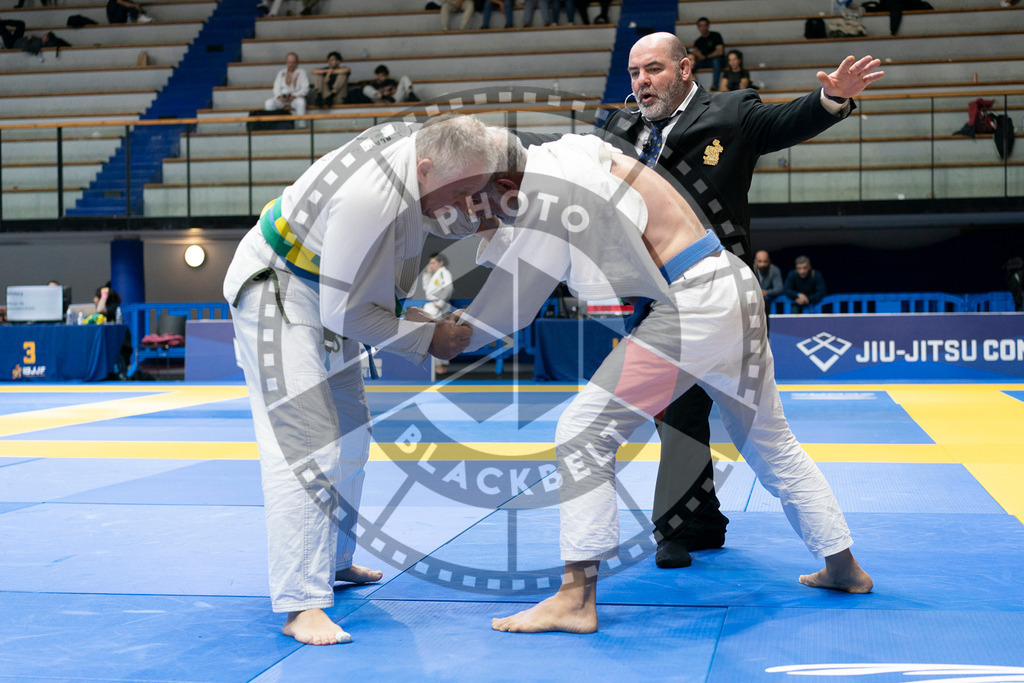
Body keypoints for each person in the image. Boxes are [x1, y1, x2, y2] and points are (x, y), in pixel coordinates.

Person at [453, 129, 872, 634]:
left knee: (583, 432)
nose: (472, 211)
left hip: (692, 303)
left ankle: (575, 598)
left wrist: (448, 333)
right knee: (771, 440)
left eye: (475, 199)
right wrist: (490, 224)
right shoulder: (566, 154)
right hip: (730, 283)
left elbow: (555, 287)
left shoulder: (558, 187)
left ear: (505, 184)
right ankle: (843, 566)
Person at [583, 33, 883, 570]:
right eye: (634, 73)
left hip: (721, 292)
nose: (642, 82)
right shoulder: (619, 129)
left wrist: (831, 98)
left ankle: (689, 526)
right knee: (682, 417)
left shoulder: (730, 111)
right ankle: (691, 525)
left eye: (653, 69)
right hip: (656, 295)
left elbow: (784, 122)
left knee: (750, 432)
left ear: (684, 68)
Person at [222, 115, 496, 646]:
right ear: (424, 169)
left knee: (350, 435)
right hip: (278, 287)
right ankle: (301, 603)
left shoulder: (434, 163)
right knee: (308, 442)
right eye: (461, 191)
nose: (466, 203)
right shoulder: (368, 194)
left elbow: (446, 214)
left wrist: (489, 214)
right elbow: (346, 314)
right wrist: (425, 337)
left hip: (333, 291)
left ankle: (333, 559)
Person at [421, 253, 454, 374]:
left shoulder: (444, 273)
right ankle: (433, 365)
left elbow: (449, 288)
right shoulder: (435, 274)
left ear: (441, 263)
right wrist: (427, 274)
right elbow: (426, 290)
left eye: (434, 263)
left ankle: (440, 365)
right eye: (430, 263)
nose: (431, 265)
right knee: (430, 337)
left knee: (438, 337)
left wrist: (440, 303)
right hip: (430, 307)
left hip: (438, 309)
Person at [264, 52, 309, 127]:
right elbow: (276, 88)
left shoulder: (302, 73)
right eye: (289, 62)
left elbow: (305, 89)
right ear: (286, 62)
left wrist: (295, 96)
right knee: (268, 103)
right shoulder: (281, 73)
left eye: (293, 62)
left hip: (295, 98)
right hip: (282, 99)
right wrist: (279, 96)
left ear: (297, 63)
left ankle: (301, 126)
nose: (291, 64)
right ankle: (272, 126)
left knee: (301, 102)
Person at [689, 17, 725, 90]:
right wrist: (697, 55)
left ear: (708, 26)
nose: (703, 27)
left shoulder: (715, 36)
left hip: (717, 61)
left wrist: (705, 57)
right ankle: (692, 87)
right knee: (690, 63)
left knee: (716, 61)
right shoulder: (698, 41)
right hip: (704, 62)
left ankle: (715, 86)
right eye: (701, 25)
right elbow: (697, 56)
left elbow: (720, 51)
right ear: (698, 27)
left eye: (705, 25)